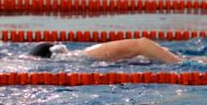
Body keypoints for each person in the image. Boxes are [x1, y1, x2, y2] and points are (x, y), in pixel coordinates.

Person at [28, 39, 182, 64]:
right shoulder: (86, 56)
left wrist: (178, 63)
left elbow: (142, 44)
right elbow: (142, 44)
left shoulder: (88, 55)